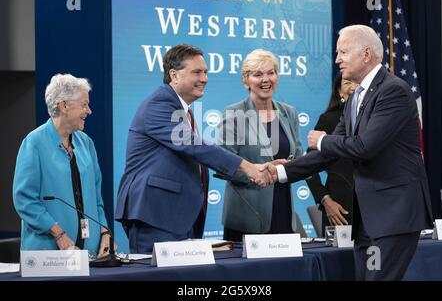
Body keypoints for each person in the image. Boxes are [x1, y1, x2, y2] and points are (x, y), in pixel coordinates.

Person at [265, 25, 433, 280]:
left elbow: (365, 146)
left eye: (343, 52)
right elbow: (329, 153)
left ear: (366, 54)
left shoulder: (393, 90)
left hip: (392, 215)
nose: (337, 59)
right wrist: (278, 172)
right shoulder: (356, 97)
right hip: (367, 218)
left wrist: (323, 140)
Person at [115, 44, 273, 253]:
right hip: (156, 216)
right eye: (197, 72)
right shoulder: (158, 105)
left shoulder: (181, 109)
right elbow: (194, 146)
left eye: (205, 72)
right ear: (174, 75)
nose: (204, 78)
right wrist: (247, 167)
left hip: (178, 218)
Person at [13, 73, 112, 257]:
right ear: (64, 105)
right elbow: (25, 200)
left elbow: (97, 200)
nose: (89, 111)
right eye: (84, 104)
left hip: (89, 254)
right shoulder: (34, 143)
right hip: (49, 255)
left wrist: (105, 233)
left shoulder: (86, 143)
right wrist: (59, 234)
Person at [218, 49, 305, 242]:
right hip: (246, 217)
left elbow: (298, 158)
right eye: (258, 74)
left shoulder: (289, 113)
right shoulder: (234, 113)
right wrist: (259, 175)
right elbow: (223, 164)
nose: (266, 79)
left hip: (282, 211)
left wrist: (283, 170)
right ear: (246, 80)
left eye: (271, 72)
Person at [306, 72, 357, 234]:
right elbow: (308, 167)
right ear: (339, 91)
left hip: (374, 208)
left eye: (358, 82)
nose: (354, 87)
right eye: (348, 82)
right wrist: (326, 200)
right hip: (339, 210)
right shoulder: (328, 120)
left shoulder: (376, 119)